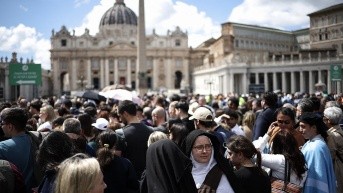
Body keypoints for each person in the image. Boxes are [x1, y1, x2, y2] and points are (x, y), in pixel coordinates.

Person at [0, 107, 39, 192]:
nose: (1, 126)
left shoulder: (2, 147)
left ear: (10, 126)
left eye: (2, 123)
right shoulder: (34, 139)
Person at [299, 112, 336, 193]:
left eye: (303, 127)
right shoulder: (313, 143)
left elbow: (316, 178)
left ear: (314, 128)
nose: (300, 130)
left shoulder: (316, 147)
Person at [116, 100, 153, 178]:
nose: (120, 119)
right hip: (147, 177)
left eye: (120, 115)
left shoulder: (120, 133)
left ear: (125, 114)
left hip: (129, 179)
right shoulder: (150, 130)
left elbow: (117, 159)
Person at [323, 106, 343, 193]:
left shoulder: (332, 135)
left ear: (329, 120)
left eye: (324, 117)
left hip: (337, 167)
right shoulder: (340, 130)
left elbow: (331, 155)